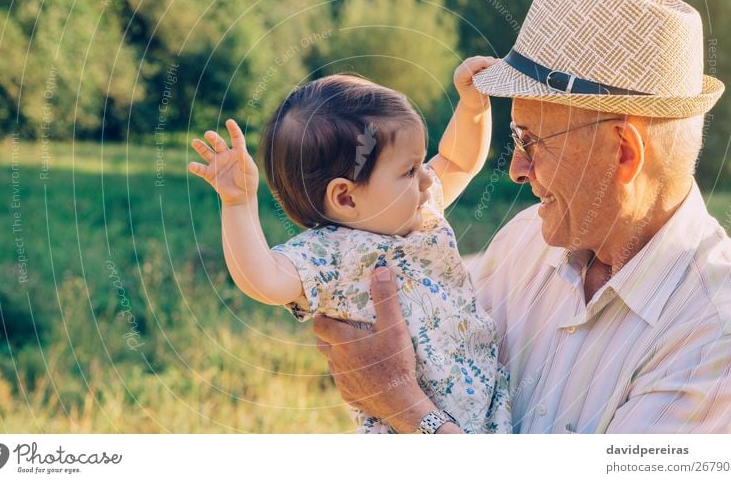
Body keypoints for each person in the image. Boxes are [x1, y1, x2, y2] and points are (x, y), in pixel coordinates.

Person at [312, 0, 731, 433]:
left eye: (530, 141)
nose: (517, 169)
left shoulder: (723, 333)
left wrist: (404, 407)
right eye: (515, 137)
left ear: (622, 153)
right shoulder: (522, 241)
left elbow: (404, 390)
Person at [187, 57, 512, 433]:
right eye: (409, 170)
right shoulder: (333, 253)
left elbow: (457, 160)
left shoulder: (419, 212)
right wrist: (238, 204)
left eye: (421, 163)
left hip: (488, 412)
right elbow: (263, 279)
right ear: (345, 197)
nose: (427, 177)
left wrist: (473, 106)